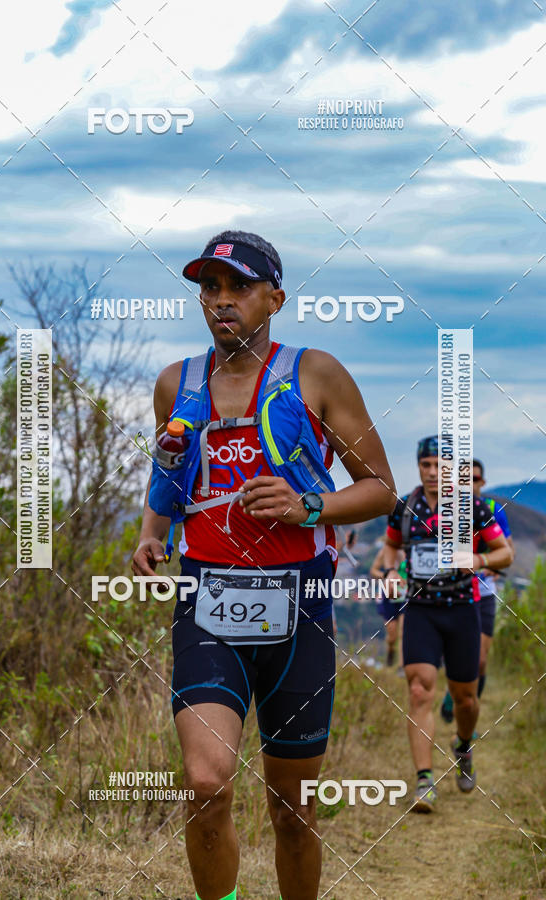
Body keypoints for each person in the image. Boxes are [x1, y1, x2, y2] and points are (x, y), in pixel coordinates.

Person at [132, 230, 396, 900]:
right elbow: (168, 475)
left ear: (274, 299)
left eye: (239, 287)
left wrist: (308, 506)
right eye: (209, 287)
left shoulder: (316, 374)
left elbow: (380, 489)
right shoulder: (176, 383)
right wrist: (151, 534)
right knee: (206, 783)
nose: (221, 300)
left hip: (299, 604)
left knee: (293, 812)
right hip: (207, 599)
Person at [381, 436, 513, 813]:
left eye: (441, 466)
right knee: (419, 690)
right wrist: (391, 571)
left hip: (462, 610)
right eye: (426, 465)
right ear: (418, 466)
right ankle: (424, 780)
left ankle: (463, 744)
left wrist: (477, 560)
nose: (432, 472)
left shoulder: (473, 507)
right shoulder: (404, 508)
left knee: (465, 699)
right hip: (421, 610)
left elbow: (505, 554)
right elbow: (390, 546)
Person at [440, 458, 514, 722]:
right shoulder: (445, 510)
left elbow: (509, 552)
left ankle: (466, 715)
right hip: (451, 594)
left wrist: (486, 563)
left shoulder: (493, 510)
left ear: (482, 482)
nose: (469, 484)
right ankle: (456, 694)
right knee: (454, 656)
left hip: (483, 594)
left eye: (474, 479)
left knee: (480, 661)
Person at [369, 546, 406, 667]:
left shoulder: (409, 549)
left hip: (404, 593)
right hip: (387, 593)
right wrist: (387, 575)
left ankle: (401, 666)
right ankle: (390, 651)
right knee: (392, 633)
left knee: (403, 631)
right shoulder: (385, 551)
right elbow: (373, 571)